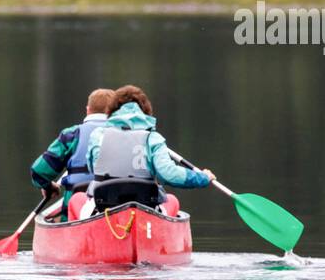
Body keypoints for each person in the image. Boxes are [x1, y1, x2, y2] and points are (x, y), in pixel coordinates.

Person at [75, 85, 214, 219]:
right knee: (172, 200)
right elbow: (169, 175)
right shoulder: (152, 138)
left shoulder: (98, 135)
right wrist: (202, 178)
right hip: (146, 207)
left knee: (76, 199)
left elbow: (93, 168)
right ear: (145, 111)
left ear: (111, 111)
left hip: (104, 207)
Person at [30, 88, 117, 221]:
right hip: (117, 205)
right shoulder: (127, 135)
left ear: (87, 110)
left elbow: (39, 171)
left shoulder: (72, 135)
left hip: (75, 212)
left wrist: (48, 186)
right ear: (116, 112)